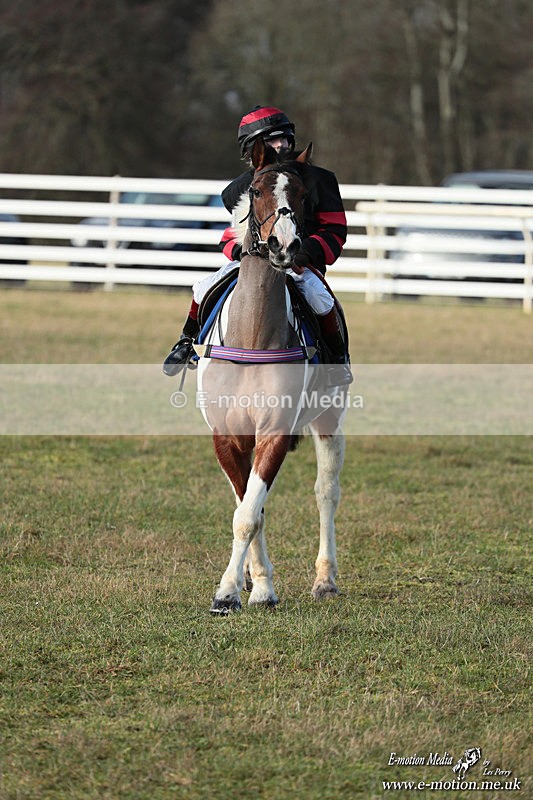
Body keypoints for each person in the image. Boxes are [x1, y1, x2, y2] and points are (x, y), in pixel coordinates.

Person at [163, 105, 351, 385]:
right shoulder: (238, 189)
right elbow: (231, 234)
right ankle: (186, 342)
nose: (281, 145)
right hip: (250, 264)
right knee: (203, 287)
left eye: (285, 138)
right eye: (272, 140)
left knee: (320, 298)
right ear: (254, 149)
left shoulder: (320, 180)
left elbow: (334, 230)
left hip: (299, 264)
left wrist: (304, 253)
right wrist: (243, 255)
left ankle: (336, 362)